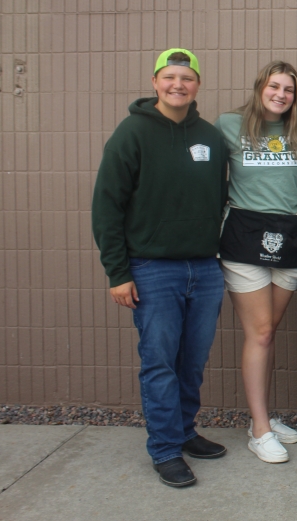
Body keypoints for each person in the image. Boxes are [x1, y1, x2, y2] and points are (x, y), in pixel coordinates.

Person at [92, 48, 228, 488]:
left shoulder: (210, 136)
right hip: (152, 269)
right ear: (155, 82)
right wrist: (118, 272)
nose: (178, 85)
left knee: (192, 362)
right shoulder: (131, 134)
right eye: (169, 77)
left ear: (197, 86)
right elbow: (106, 207)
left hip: (205, 269)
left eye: (186, 78)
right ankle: (165, 449)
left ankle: (185, 432)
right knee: (159, 363)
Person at [214, 61, 297, 464]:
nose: (280, 94)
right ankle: (259, 429)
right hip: (242, 235)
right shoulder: (228, 124)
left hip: (287, 233)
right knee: (262, 331)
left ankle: (264, 417)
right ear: (260, 88)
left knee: (269, 332)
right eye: (275, 86)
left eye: (288, 89)